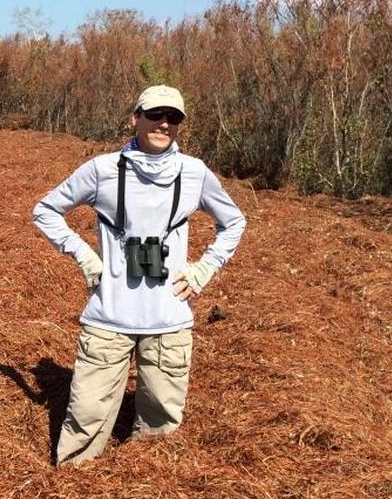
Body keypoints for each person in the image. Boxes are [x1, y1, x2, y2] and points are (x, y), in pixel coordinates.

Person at [32, 85, 246, 464]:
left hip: (169, 322)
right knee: (85, 420)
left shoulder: (194, 173)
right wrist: (84, 254)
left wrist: (204, 269)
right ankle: (71, 488)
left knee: (160, 433)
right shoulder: (102, 170)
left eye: (173, 117)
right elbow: (46, 210)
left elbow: (233, 223)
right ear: (135, 118)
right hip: (108, 319)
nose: (164, 123)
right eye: (155, 114)